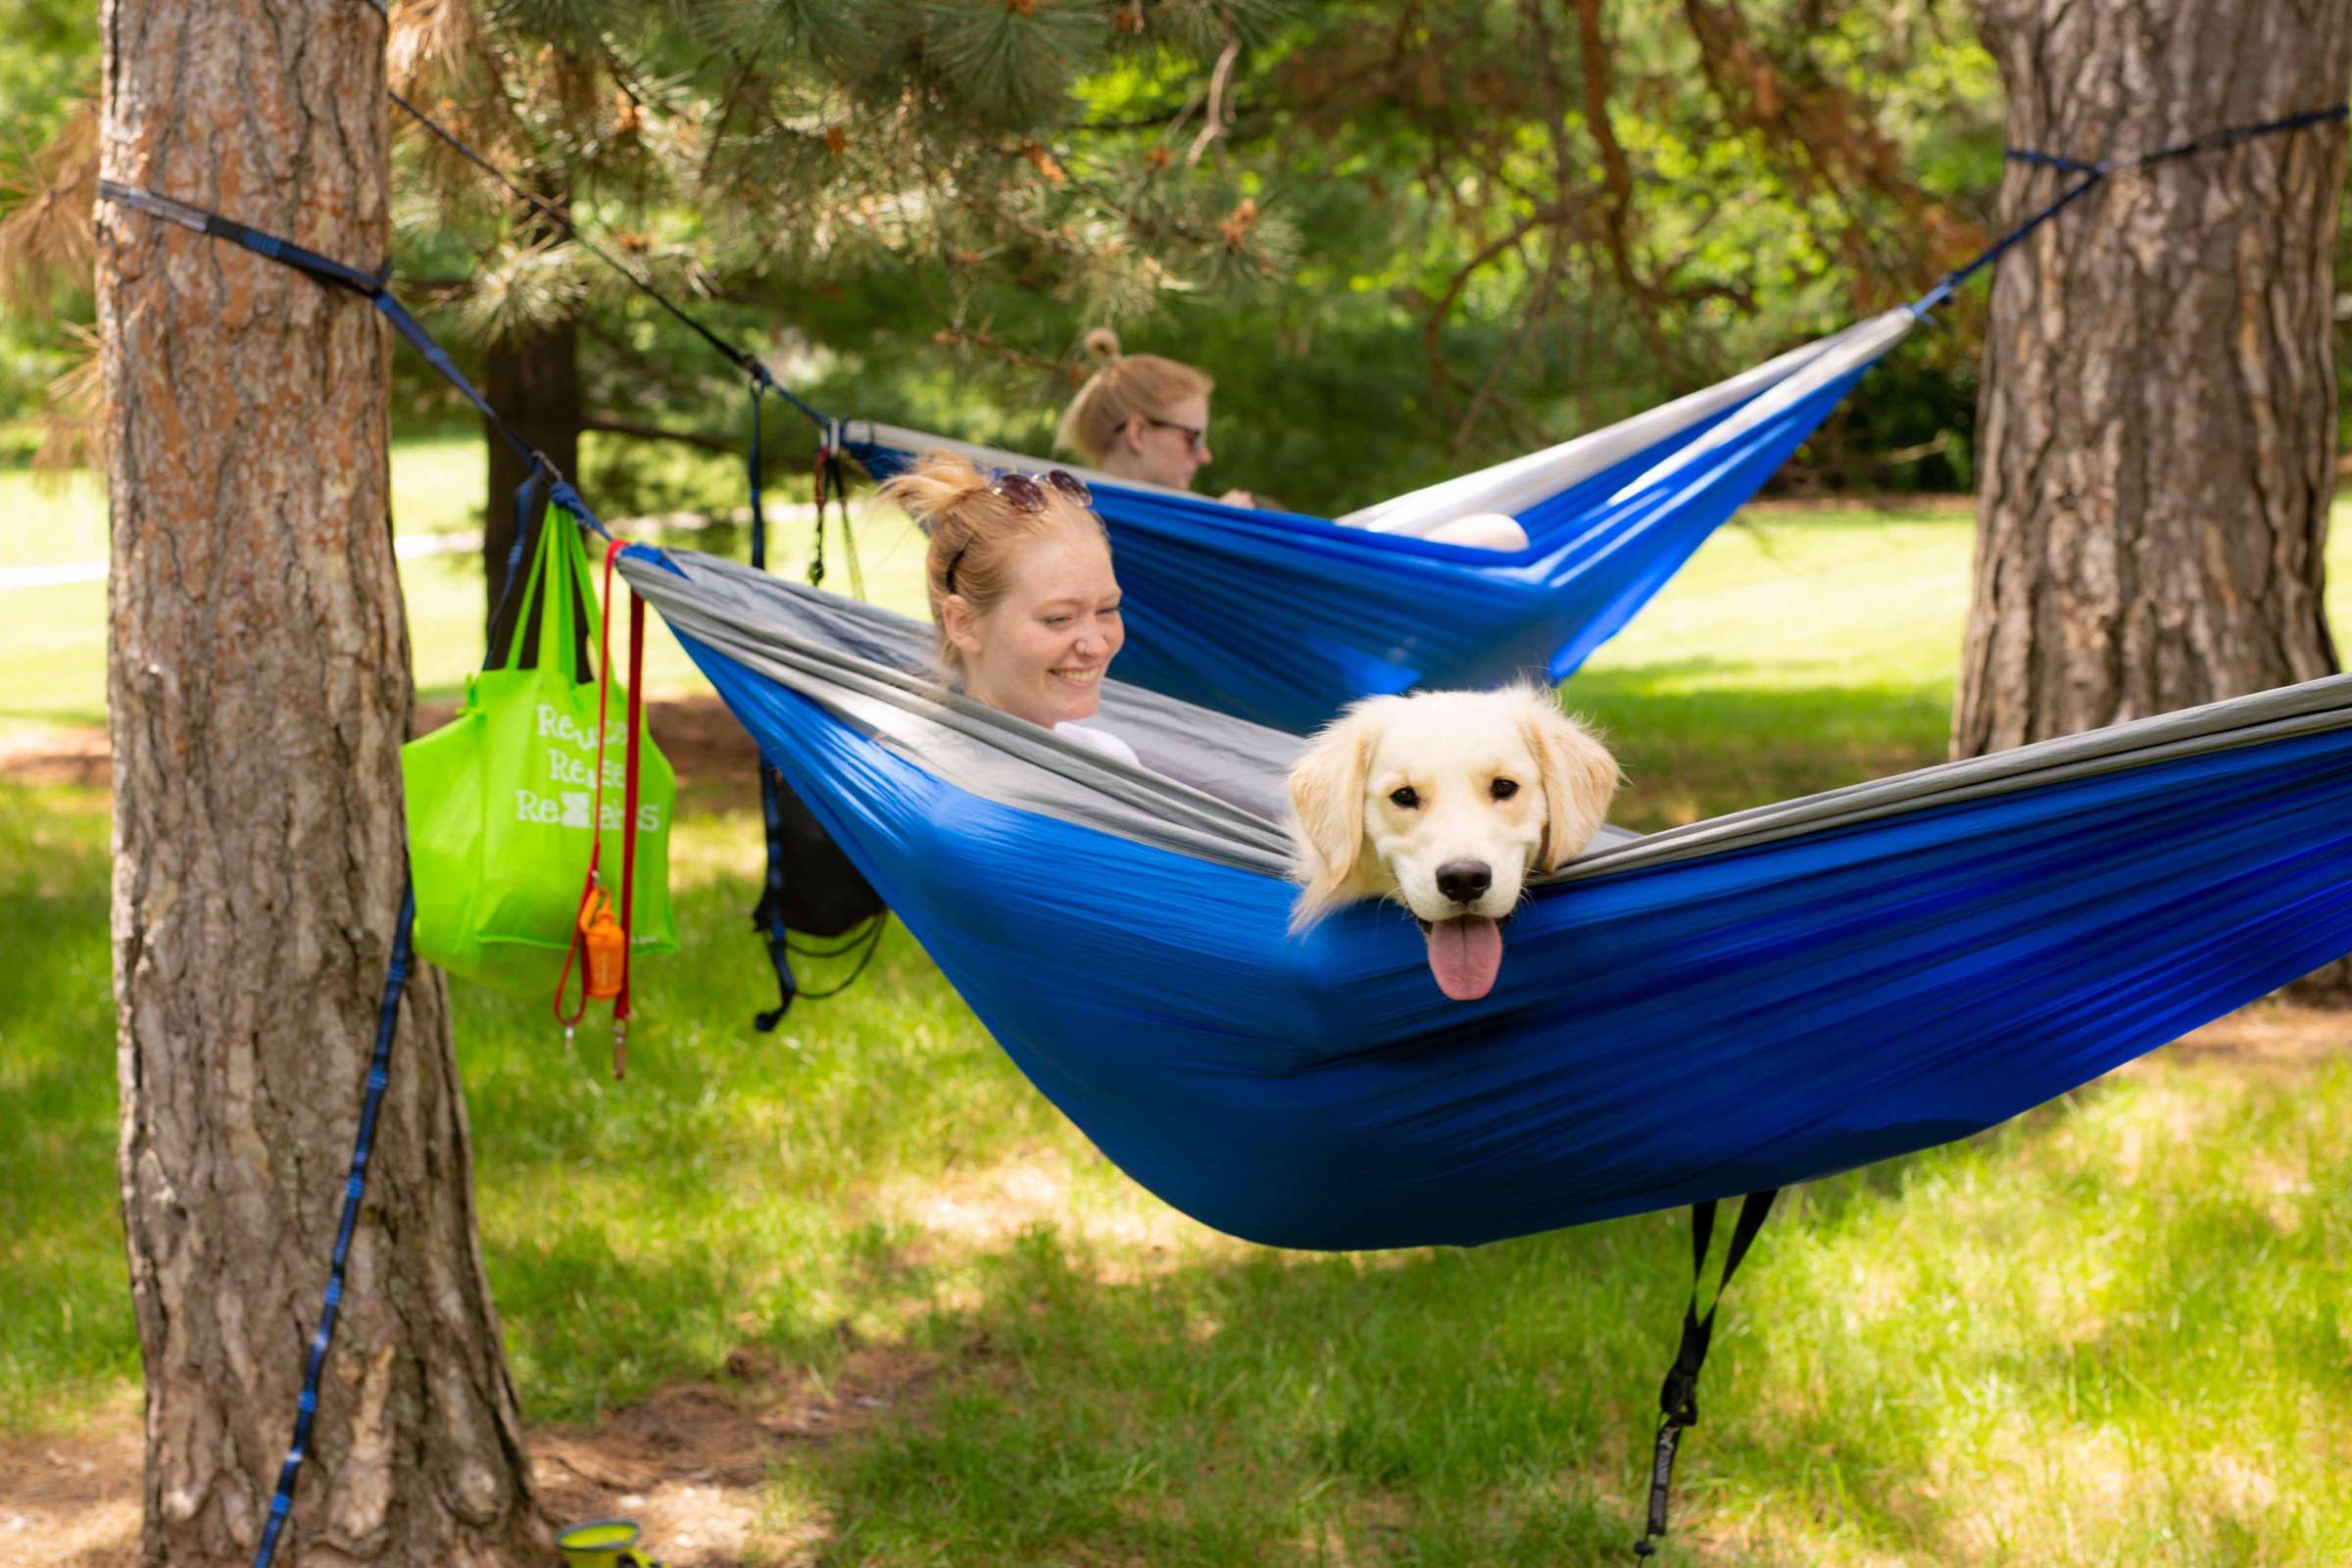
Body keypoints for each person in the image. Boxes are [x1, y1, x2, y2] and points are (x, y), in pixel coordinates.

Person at [1055, 328, 1529, 552]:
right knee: (1496, 537)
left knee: (1496, 535)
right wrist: (1223, 537)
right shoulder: (1083, 536)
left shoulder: (1122, 524)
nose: (1206, 456)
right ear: (1138, 432)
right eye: (1193, 438)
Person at [876, 450, 1142, 767]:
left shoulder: (1110, 762)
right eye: (1059, 618)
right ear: (964, 624)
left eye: (1107, 610)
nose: (1096, 646)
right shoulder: (913, 774)